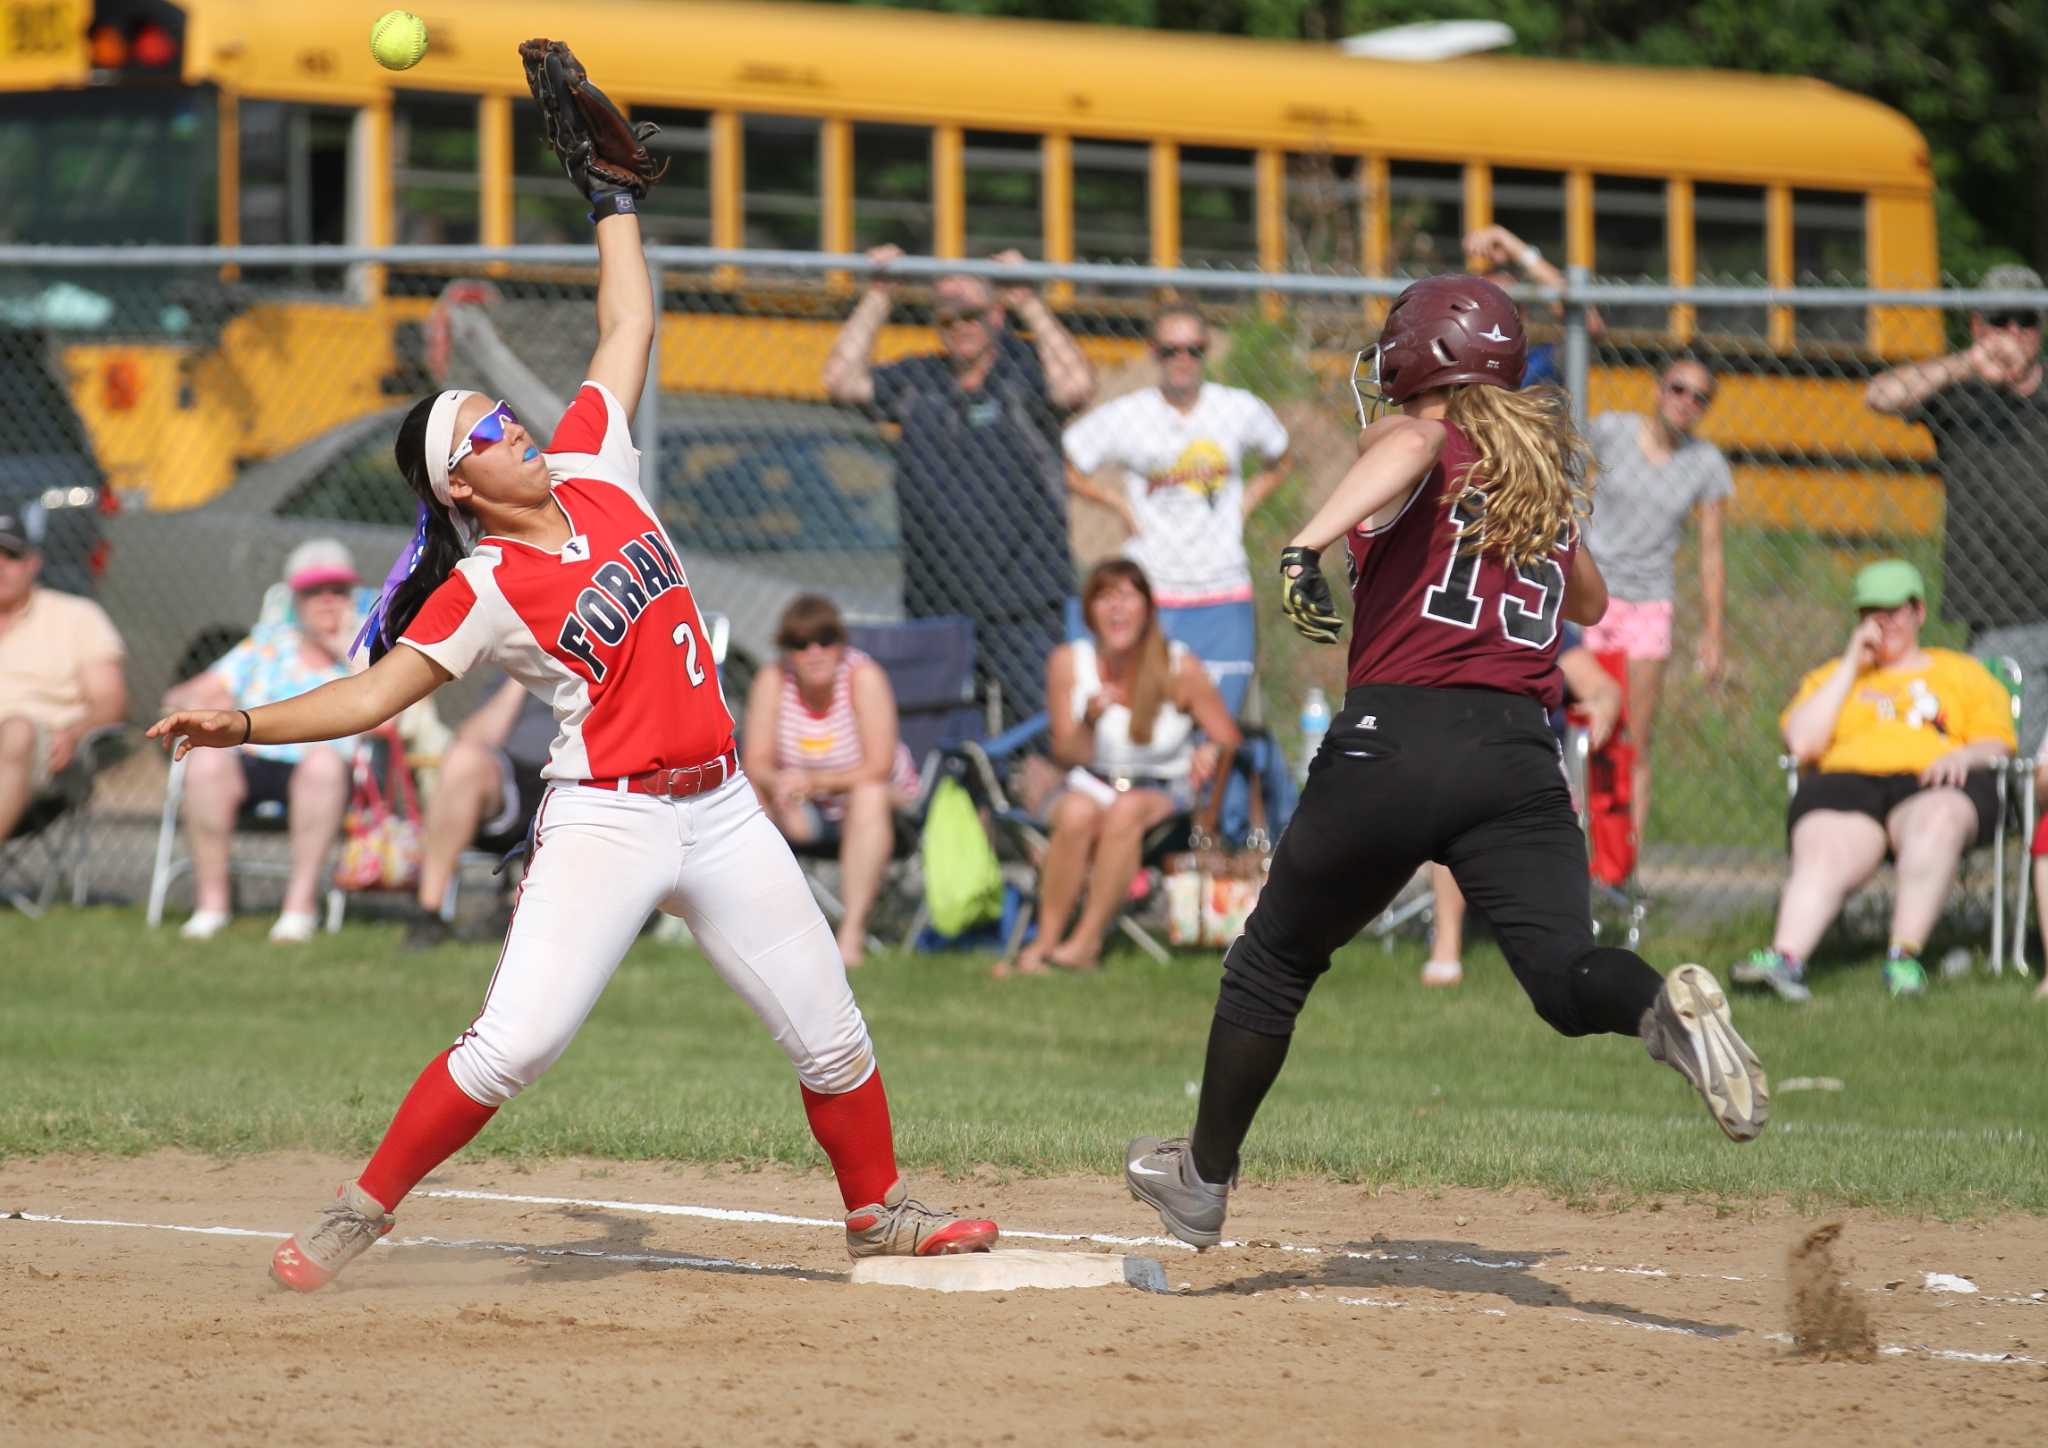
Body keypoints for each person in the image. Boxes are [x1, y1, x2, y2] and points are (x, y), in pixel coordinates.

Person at [149, 61, 996, 1293]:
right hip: (607, 815)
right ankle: (361, 1205)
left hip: (721, 807)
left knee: (831, 1030)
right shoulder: (485, 584)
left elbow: (626, 325)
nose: (517, 428)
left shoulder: (601, 468)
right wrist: (241, 721)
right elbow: (377, 691)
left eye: (505, 414)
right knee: (515, 1043)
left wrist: (609, 200)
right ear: (459, 488)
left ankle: (878, 1213)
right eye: (487, 432)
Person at [1122, 275, 1769, 1250]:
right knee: (1562, 975)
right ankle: (1657, 1009)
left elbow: (1417, 441)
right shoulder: (1532, 471)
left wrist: (1303, 545)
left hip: (1397, 736)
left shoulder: (1418, 436)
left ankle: (1202, 1178)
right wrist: (1535, 510)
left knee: (1271, 960)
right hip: (1516, 753)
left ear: (1416, 356)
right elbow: (1587, 605)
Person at [822, 242, 1096, 725]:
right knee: (938, 739)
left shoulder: (1023, 370)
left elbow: (1076, 385)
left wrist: (1029, 301)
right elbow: (841, 381)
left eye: (972, 314)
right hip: (936, 598)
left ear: (996, 315)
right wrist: (880, 296)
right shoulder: (920, 379)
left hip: (1025, 600)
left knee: (1039, 730)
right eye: (948, 318)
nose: (961, 327)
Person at [1732, 560, 2015, 1003]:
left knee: (1937, 821)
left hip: (1933, 781)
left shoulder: (1960, 672)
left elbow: (1998, 744)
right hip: (1848, 786)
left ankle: (1903, 958)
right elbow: (1802, 742)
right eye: (1870, 613)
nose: (1882, 622)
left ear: (1918, 612)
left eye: (1893, 611)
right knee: (1824, 848)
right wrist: (1851, 664)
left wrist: (1962, 754)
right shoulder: (1830, 678)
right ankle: (1786, 959)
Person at [1000, 560, 1241, 978]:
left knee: (1125, 810)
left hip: (1161, 791)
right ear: (1089, 611)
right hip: (1087, 782)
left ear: (1148, 608)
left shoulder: (1178, 667)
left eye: (1127, 596)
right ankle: (1045, 941)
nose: (1116, 609)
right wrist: (1090, 718)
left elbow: (1228, 737)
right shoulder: (1068, 663)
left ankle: (1086, 942)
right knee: (1077, 812)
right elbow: (1066, 754)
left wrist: (1208, 752)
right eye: (1105, 597)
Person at [1060, 304, 1291, 717]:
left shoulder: (1237, 408)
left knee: (1217, 725)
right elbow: (1067, 461)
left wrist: (1246, 502)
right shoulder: (1130, 413)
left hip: (1223, 589)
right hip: (1154, 590)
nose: (1182, 360)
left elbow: (1281, 457)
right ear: (1153, 352)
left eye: (1193, 350)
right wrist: (1116, 504)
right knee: (1150, 718)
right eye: (1170, 350)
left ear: (1205, 352)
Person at [1866, 265, 2048, 749]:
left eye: (2025, 321)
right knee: (2012, 756)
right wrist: (1968, 364)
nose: (2013, 334)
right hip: (2005, 608)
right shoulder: (1960, 395)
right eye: (1999, 320)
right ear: (1977, 326)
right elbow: (1880, 396)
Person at [158, 538, 364, 944]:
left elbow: (390, 722)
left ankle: (299, 909)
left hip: (324, 768)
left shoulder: (368, 650)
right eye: (313, 592)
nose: (326, 602)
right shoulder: (268, 644)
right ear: (295, 600)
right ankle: (211, 905)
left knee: (322, 767)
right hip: (252, 756)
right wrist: (201, 703)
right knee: (205, 764)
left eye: (337, 591)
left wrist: (344, 650)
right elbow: (180, 696)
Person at [1580, 357, 1732, 850]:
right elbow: (1562, 479)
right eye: (1678, 388)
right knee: (1580, 731)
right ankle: (1569, 855)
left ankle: (1621, 871)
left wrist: (1713, 632)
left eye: (1699, 397)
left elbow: (1711, 552)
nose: (1686, 402)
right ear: (1657, 388)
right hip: (1591, 596)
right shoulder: (1610, 432)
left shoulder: (1705, 464)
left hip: (1648, 605)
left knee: (1631, 742)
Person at [1420, 628, 1624, 989]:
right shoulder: (1454, 627)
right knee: (1452, 795)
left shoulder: (1537, 626)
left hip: (1535, 764)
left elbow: (1602, 686)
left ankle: (1561, 952)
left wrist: (1602, 706)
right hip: (1470, 760)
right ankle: (1447, 945)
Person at [741, 594, 922, 969]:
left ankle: (851, 935)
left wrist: (814, 781)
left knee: (867, 796)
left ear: (841, 643)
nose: (814, 652)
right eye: (800, 644)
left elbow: (878, 766)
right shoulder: (773, 679)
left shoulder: (863, 677)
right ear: (786, 650)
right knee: (748, 791)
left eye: (826, 640)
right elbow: (756, 760)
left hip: (881, 804)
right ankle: (758, 930)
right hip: (808, 808)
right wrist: (781, 784)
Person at [0, 505, 126, 846]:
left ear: (33, 563)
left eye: (10, 556)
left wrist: (75, 733)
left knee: (16, 730)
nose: (0, 567)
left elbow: (109, 701)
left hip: (44, 754)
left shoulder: (76, 617)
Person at [400, 675, 555, 950]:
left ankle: (520, 908)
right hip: (514, 783)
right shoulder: (522, 662)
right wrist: (522, 678)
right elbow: (474, 737)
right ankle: (429, 912)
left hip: (582, 782)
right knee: (463, 760)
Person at [1461, 224, 1605, 388]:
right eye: (1486, 307)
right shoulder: (1460, 366)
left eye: (1508, 306)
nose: (1496, 322)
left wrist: (1509, 242)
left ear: (1522, 314)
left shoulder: (1544, 361)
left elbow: (1589, 323)